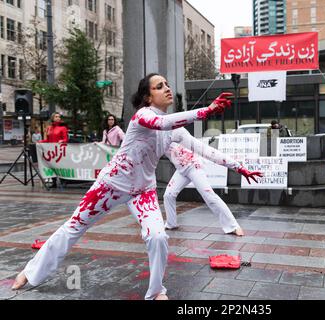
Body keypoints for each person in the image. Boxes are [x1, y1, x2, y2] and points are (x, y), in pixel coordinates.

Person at [11, 73, 262, 300]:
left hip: (143, 191)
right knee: (73, 227)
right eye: (159, 86)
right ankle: (30, 272)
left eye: (167, 84)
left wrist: (239, 167)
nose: (167, 89)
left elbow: (204, 149)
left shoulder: (175, 130)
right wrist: (206, 111)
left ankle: (155, 292)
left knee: (158, 236)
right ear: (147, 96)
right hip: (110, 185)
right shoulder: (142, 116)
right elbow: (161, 124)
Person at [164, 139, 262, 236]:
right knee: (168, 195)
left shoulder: (176, 133)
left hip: (194, 166)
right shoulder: (154, 139)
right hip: (181, 170)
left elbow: (212, 153)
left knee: (208, 195)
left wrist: (240, 169)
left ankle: (233, 226)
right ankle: (171, 224)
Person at [39, 112, 69, 188]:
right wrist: (39, 142)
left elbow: (66, 139)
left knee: (61, 166)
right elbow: (47, 140)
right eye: (56, 116)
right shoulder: (49, 128)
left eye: (59, 117)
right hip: (51, 152)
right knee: (52, 166)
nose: (58, 118)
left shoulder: (63, 128)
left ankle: (63, 181)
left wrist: (62, 141)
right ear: (53, 118)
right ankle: (54, 182)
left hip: (59, 151)